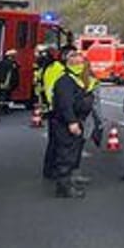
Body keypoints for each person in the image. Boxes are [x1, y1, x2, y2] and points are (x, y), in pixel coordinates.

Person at [50, 51, 95, 198]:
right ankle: (64, 188)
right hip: (67, 123)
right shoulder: (66, 82)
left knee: (70, 153)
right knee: (66, 155)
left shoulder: (72, 80)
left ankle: (67, 183)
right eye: (81, 63)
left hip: (74, 120)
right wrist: (72, 122)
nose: (83, 66)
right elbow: (65, 104)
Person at [40, 45, 76, 180]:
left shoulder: (53, 67)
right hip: (57, 111)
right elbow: (54, 91)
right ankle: (55, 172)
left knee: (54, 143)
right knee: (59, 145)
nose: (76, 58)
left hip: (53, 109)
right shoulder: (58, 69)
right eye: (72, 55)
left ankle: (50, 170)